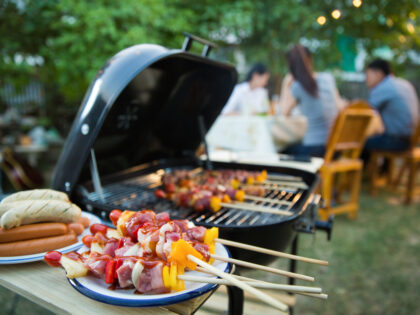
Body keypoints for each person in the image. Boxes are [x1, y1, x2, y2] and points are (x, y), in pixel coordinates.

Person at [278, 44, 343, 157]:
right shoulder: (328, 78)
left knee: (280, 149)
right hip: (335, 148)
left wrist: (285, 84)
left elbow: (283, 113)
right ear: (311, 60)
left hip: (314, 150)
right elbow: (340, 107)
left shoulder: (298, 86)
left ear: (291, 66)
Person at [364, 58, 419, 152]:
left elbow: (364, 111)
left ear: (378, 74)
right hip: (413, 140)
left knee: (359, 143)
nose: (366, 80)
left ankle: (362, 167)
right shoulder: (404, 84)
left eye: (368, 75)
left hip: (397, 141)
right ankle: (382, 167)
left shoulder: (384, 86)